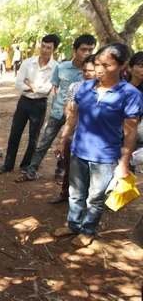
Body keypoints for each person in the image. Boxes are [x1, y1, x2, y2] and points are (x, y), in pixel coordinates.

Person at [53, 43, 143, 247]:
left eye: (107, 65)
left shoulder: (131, 95)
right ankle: (73, 224)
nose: (100, 69)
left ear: (123, 66)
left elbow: (130, 132)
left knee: (95, 197)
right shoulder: (84, 87)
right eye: (98, 64)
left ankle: (88, 230)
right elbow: (73, 117)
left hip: (105, 157)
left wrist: (124, 162)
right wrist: (63, 140)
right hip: (78, 151)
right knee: (75, 193)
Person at [14, 34, 96, 184]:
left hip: (78, 117)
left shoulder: (94, 73)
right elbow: (55, 88)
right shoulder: (62, 68)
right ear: (74, 50)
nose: (87, 53)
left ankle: (60, 172)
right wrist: (58, 105)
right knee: (43, 144)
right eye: (83, 49)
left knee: (68, 146)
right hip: (57, 112)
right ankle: (31, 171)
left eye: (90, 50)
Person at [0, 34, 60, 174]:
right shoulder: (28, 63)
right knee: (14, 134)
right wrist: (34, 86)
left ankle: (26, 165)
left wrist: (28, 82)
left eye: (48, 47)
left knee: (34, 137)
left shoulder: (56, 67)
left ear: (54, 50)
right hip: (23, 102)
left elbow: (45, 90)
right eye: (43, 46)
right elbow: (18, 84)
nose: (44, 50)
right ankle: (8, 164)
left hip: (39, 104)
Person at [48, 54, 97, 204]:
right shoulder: (75, 87)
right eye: (85, 70)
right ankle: (65, 194)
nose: (87, 73)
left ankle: (88, 200)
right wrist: (73, 128)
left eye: (91, 70)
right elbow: (68, 109)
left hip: (95, 137)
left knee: (91, 172)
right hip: (76, 132)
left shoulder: (104, 90)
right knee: (69, 167)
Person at [128, 52, 143, 173]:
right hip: (114, 134)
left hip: (134, 137)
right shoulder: (119, 86)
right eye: (141, 66)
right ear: (130, 67)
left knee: (127, 168)